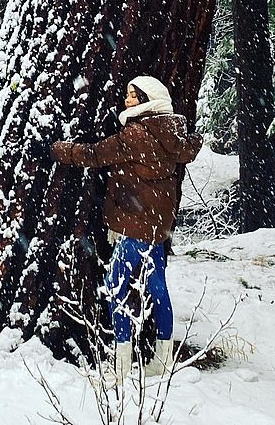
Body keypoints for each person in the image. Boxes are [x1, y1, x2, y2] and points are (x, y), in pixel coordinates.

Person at [51, 75, 202, 382]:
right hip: (158, 226)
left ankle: (121, 364)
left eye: (133, 96)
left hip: (135, 227)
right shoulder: (171, 133)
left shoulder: (137, 135)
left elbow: (93, 155)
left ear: (147, 101)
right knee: (158, 288)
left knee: (116, 286)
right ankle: (162, 357)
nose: (126, 100)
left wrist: (57, 149)